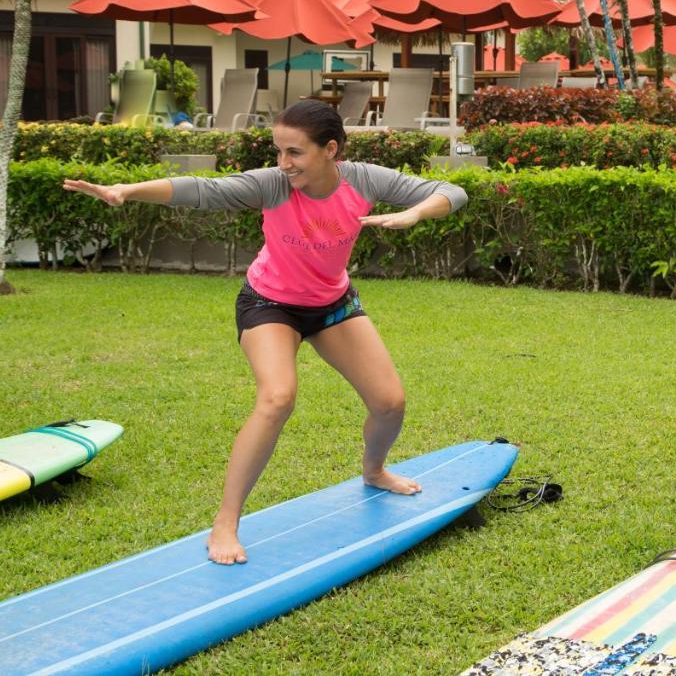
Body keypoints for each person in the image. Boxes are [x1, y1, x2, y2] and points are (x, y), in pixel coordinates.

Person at [64, 99, 468, 565]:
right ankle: (225, 523)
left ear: (330, 149)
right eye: (278, 150)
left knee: (390, 403)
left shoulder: (364, 179)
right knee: (277, 397)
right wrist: (127, 190)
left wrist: (416, 213)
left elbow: (451, 191)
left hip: (332, 304)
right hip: (269, 303)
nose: (283, 163)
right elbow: (203, 190)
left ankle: (375, 471)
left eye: (294, 152)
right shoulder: (274, 186)